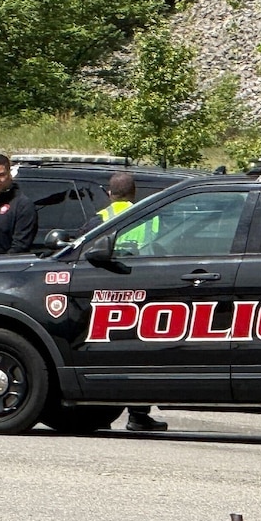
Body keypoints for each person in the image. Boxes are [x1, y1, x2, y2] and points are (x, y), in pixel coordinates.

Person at [93, 171, 169, 433]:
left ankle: (98, 411)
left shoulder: (101, 218)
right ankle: (138, 415)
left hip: (106, 293)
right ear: (134, 193)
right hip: (140, 290)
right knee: (139, 354)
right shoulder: (149, 218)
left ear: (109, 194)